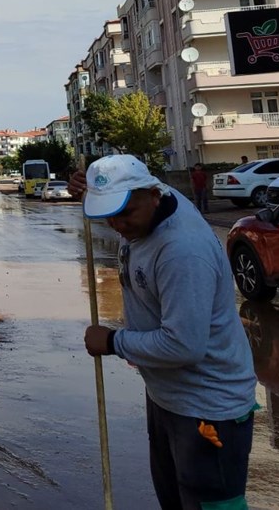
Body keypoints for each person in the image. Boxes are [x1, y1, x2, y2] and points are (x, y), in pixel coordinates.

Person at [71, 155, 256, 509]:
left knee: (208, 504)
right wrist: (90, 187)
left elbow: (183, 346)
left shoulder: (182, 251)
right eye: (107, 213)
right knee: (174, 498)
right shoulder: (148, 199)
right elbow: (117, 189)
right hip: (167, 395)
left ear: (154, 195)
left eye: (126, 214)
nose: (118, 224)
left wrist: (112, 341)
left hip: (207, 407)